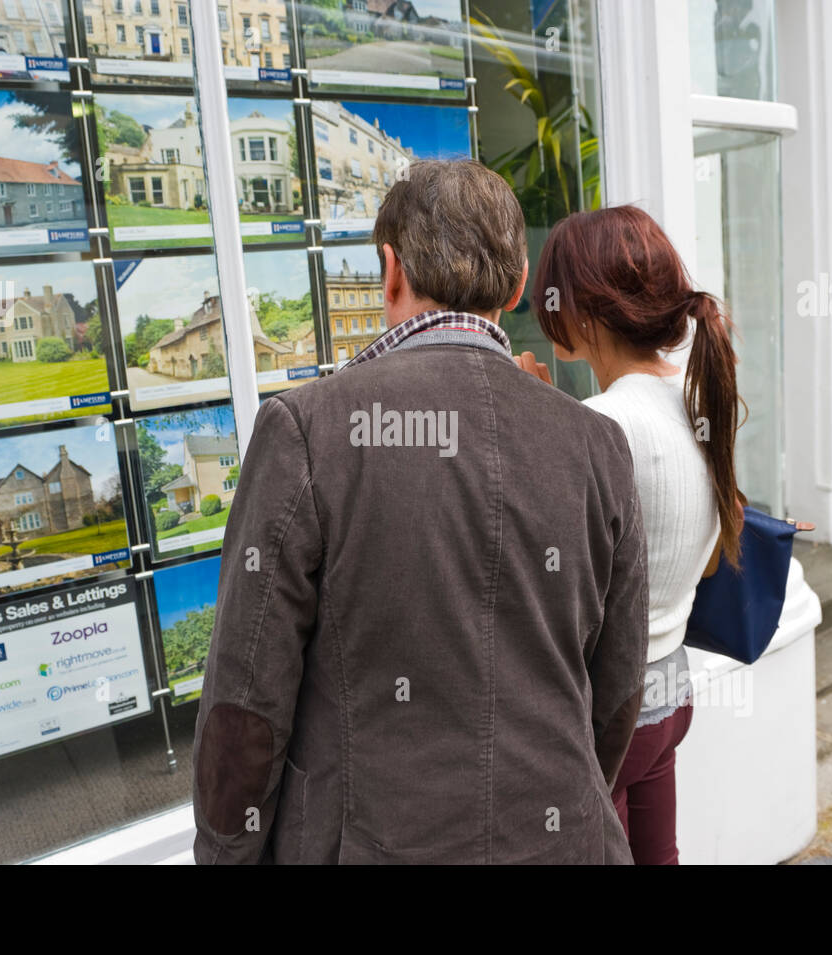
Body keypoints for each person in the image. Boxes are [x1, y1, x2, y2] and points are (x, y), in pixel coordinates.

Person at [192, 160, 650, 864]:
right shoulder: (598, 445)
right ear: (520, 283)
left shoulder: (307, 429)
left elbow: (245, 705)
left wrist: (227, 855)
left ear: (390, 270)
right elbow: (616, 692)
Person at [519, 204, 742, 865]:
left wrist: (545, 425)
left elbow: (552, 584)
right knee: (658, 854)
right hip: (671, 695)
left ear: (584, 310)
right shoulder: (696, 398)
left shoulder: (599, 426)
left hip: (611, 711)